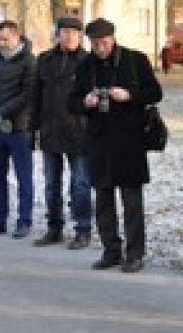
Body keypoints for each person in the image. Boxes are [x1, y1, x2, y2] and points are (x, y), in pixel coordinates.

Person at [69, 18, 163, 273]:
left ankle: (134, 253)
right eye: (95, 43)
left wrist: (129, 95)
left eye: (104, 42)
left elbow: (155, 93)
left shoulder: (135, 60)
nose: (100, 47)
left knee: (132, 201)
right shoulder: (85, 65)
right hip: (98, 140)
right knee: (103, 200)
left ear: (113, 38)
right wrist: (85, 102)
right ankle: (111, 250)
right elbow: (72, 102)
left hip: (130, 140)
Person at [31, 16, 92, 248]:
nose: (69, 37)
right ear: (58, 34)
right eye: (65, 32)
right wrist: (33, 129)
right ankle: (54, 228)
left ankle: (83, 229)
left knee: (80, 184)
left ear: (80, 36)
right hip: (50, 131)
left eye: (75, 33)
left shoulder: (88, 62)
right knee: (51, 185)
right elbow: (35, 96)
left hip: (79, 133)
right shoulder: (45, 60)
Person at [0, 20, 38, 239]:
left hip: (19, 127)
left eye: (5, 39)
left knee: (24, 177)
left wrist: (4, 111)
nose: (1, 43)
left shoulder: (29, 61)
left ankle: (24, 221)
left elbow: (28, 94)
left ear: (17, 37)